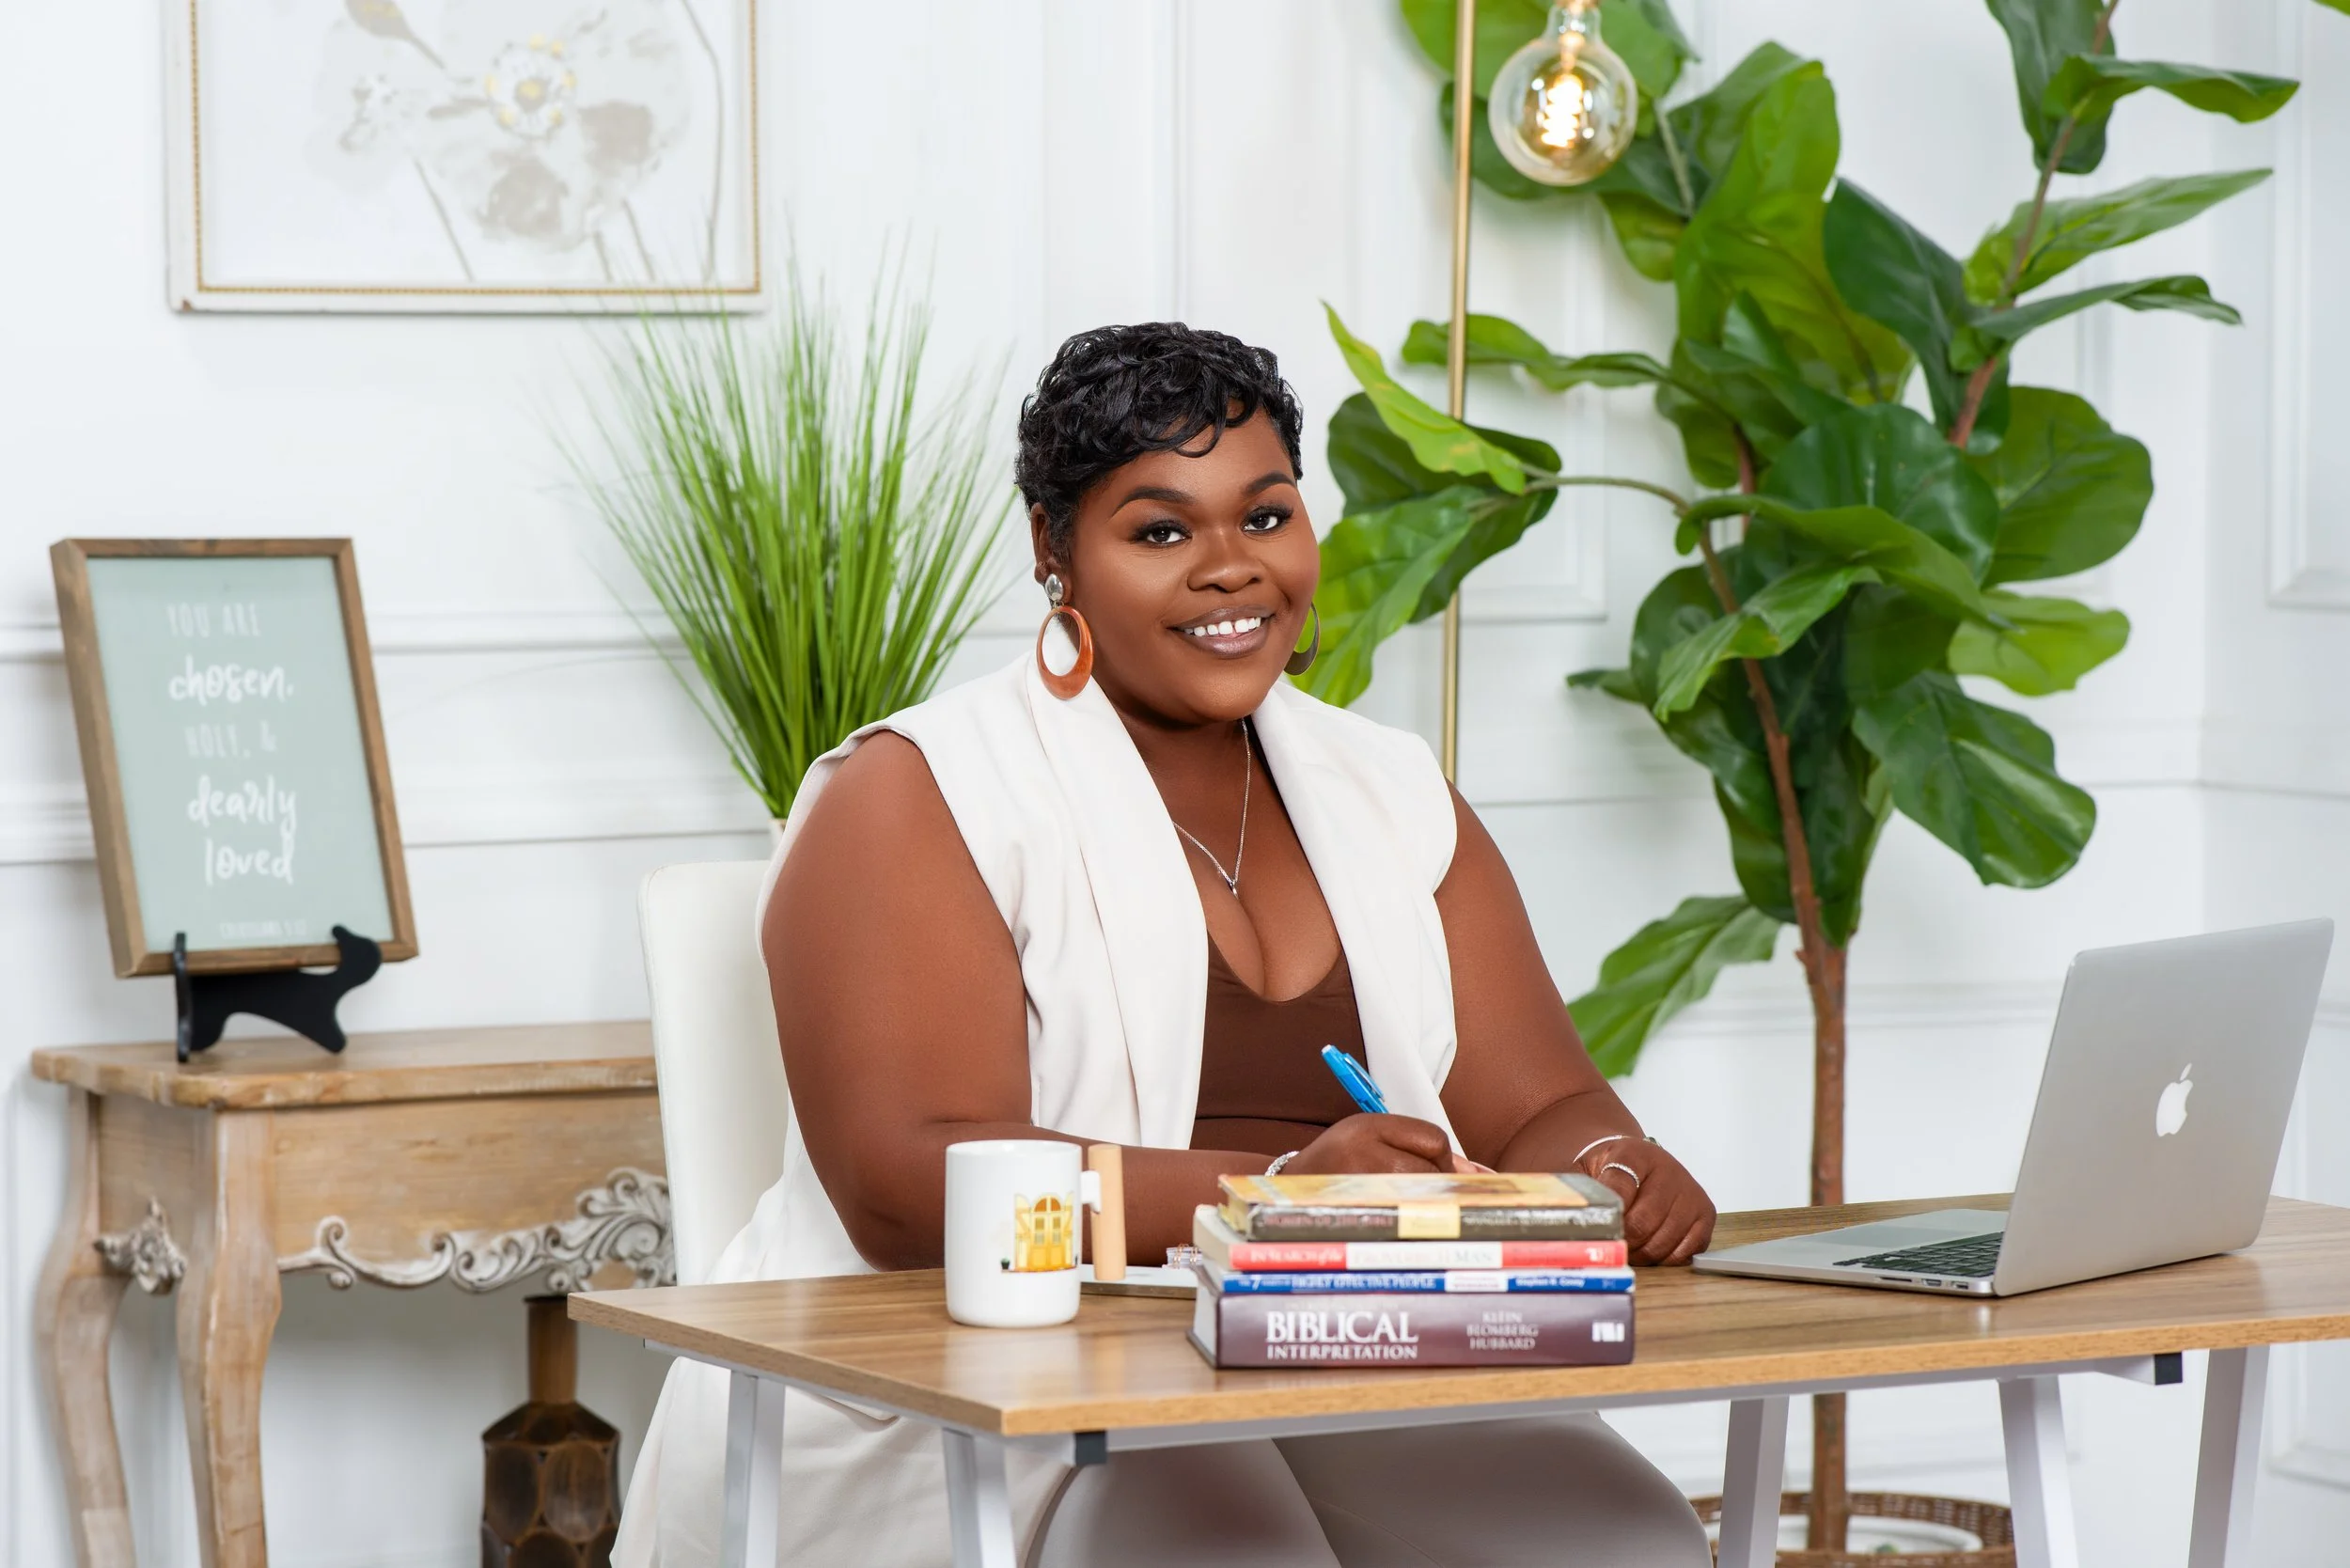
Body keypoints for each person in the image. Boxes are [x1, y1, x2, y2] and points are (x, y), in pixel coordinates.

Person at [616, 323, 1717, 1567]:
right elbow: (903, 1184)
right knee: (1231, 1550)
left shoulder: (1391, 787)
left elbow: (1541, 1103)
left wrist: (1611, 1166)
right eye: (1159, 531)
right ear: (1054, 552)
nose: (1231, 570)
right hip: (991, 1381)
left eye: (1265, 517)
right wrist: (1276, 1202)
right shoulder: (918, 789)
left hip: (1325, 1355)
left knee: (1622, 1539)